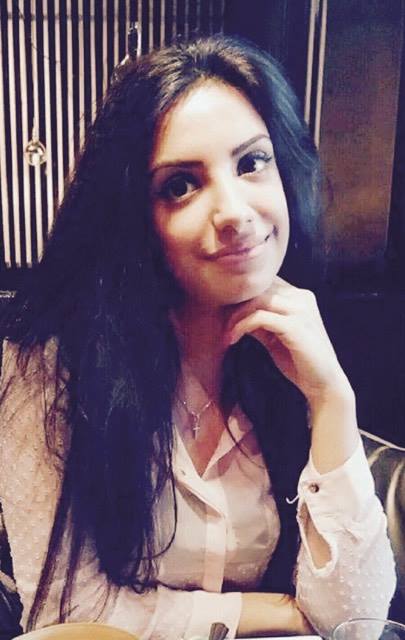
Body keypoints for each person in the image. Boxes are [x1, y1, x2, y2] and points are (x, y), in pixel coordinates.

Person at [0, 34, 396, 639]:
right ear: (136, 218)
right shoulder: (45, 368)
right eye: (181, 185)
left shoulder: (298, 352)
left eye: (252, 162)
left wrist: (331, 400)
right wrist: (276, 612)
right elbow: (69, 616)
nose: (234, 211)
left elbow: (354, 621)